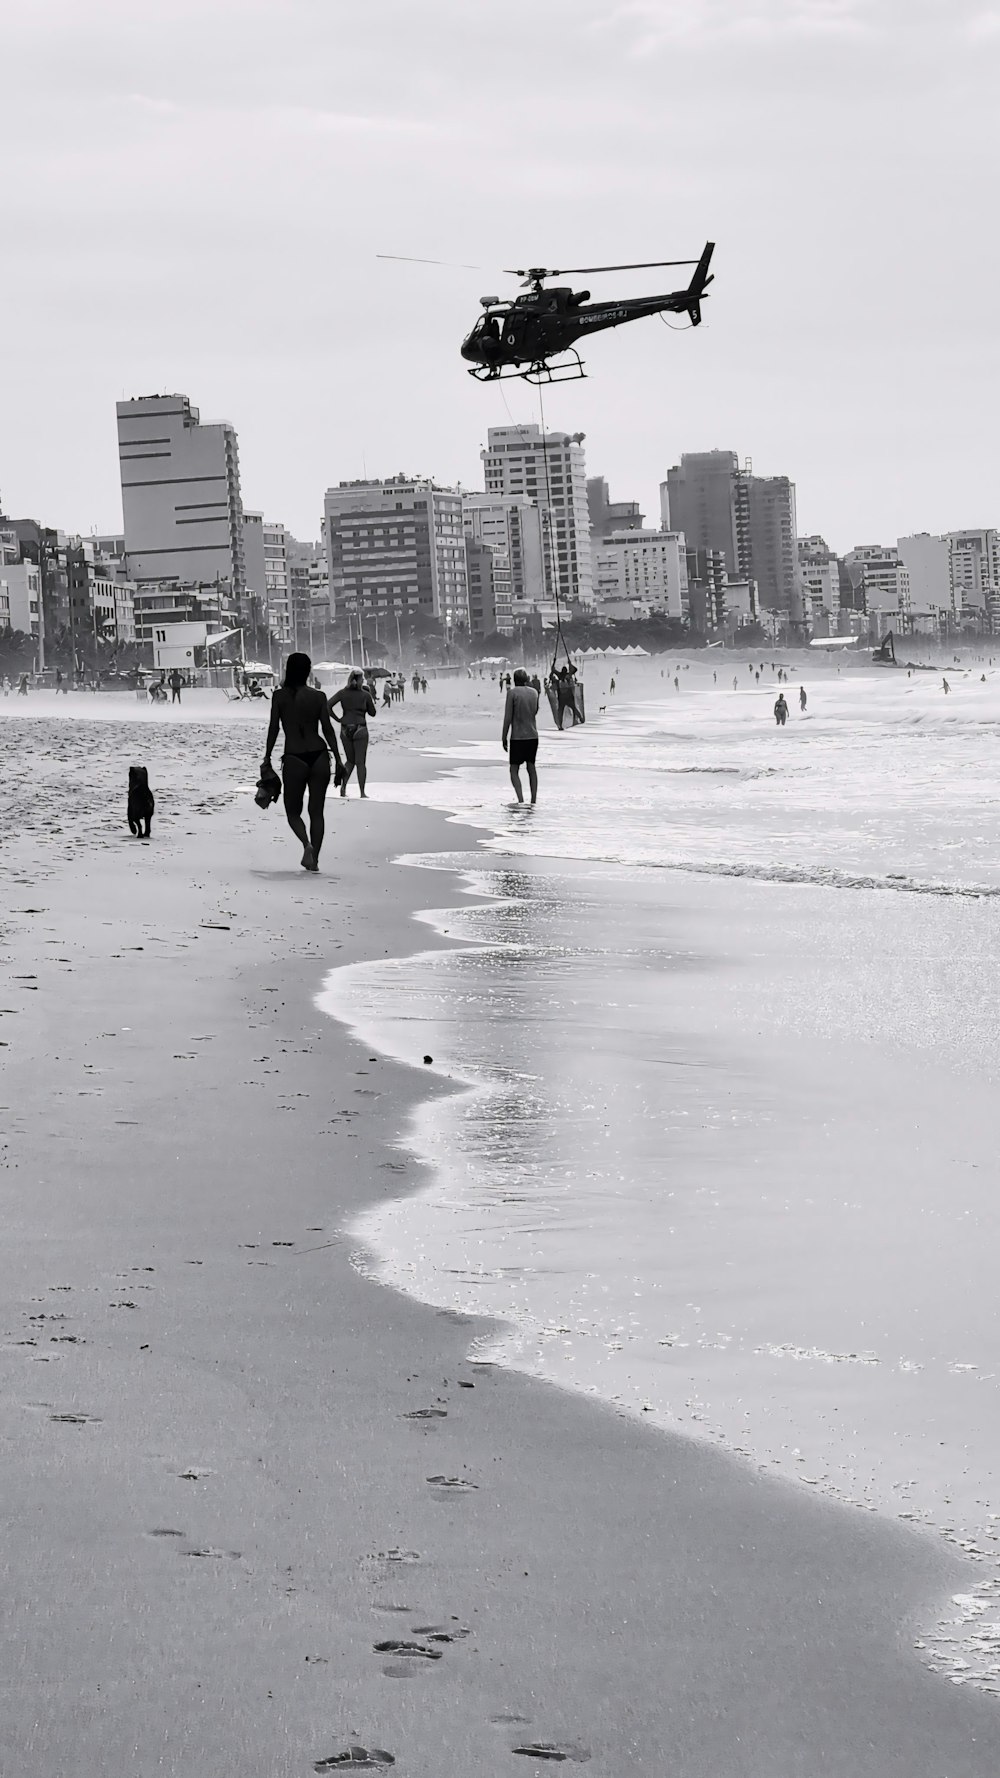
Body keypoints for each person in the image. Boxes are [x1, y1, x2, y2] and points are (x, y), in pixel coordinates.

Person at [263, 651, 343, 872]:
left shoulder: (279, 696)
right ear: (308, 671)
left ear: (288, 670)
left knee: (293, 812)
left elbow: (274, 728)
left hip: (294, 757)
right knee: (317, 812)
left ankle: (306, 844)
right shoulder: (318, 696)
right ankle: (314, 859)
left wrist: (267, 757)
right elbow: (327, 729)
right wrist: (338, 759)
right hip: (319, 755)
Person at [329, 668, 377, 797]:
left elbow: (327, 705)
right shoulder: (365, 694)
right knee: (360, 763)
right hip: (360, 728)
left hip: (345, 728)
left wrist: (337, 719)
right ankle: (362, 792)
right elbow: (373, 713)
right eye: (362, 679)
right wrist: (369, 698)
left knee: (350, 761)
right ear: (359, 680)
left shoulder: (342, 693)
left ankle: (343, 788)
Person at [502, 667, 539, 804]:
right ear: (526, 679)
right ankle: (533, 800)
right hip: (533, 735)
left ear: (514, 679)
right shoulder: (534, 693)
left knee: (513, 770)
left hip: (518, 737)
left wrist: (504, 736)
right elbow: (535, 711)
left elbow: (508, 717)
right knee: (531, 768)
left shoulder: (512, 693)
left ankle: (521, 799)